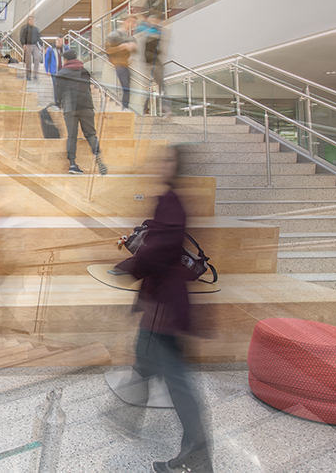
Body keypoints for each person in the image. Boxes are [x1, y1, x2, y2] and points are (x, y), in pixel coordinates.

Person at [115, 146, 211, 473]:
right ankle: (126, 416)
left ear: (178, 166)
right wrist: (134, 248)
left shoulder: (172, 203)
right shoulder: (169, 202)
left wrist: (127, 266)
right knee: (144, 354)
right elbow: (155, 245)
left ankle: (196, 452)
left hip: (164, 309)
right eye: (161, 158)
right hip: (160, 305)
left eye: (168, 160)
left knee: (177, 380)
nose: (162, 164)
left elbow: (161, 251)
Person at [55, 49, 107, 176]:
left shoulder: (62, 73)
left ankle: (72, 164)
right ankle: (98, 156)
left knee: (72, 136)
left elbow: (58, 92)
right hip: (86, 106)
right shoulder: (84, 71)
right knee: (90, 134)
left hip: (70, 107)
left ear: (66, 60)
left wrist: (58, 103)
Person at [106, 15, 138, 110]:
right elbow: (108, 50)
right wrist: (123, 46)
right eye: (131, 22)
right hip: (119, 64)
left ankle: (125, 106)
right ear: (126, 22)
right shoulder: (114, 35)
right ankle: (124, 107)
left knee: (127, 87)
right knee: (125, 86)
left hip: (125, 64)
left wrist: (133, 47)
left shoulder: (130, 37)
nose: (133, 25)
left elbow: (135, 50)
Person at [139, 13, 168, 115]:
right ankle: (163, 108)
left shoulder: (155, 32)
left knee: (154, 86)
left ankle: (147, 109)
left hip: (154, 62)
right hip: (153, 62)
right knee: (158, 85)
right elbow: (148, 50)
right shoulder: (151, 32)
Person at [19, 15, 43, 81]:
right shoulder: (24, 28)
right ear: (28, 20)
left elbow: (38, 38)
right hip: (27, 45)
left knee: (37, 57)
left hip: (35, 45)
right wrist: (23, 44)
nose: (31, 21)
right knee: (28, 60)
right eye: (30, 20)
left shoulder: (36, 29)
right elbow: (22, 37)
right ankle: (28, 75)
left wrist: (41, 45)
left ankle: (35, 74)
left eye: (32, 20)